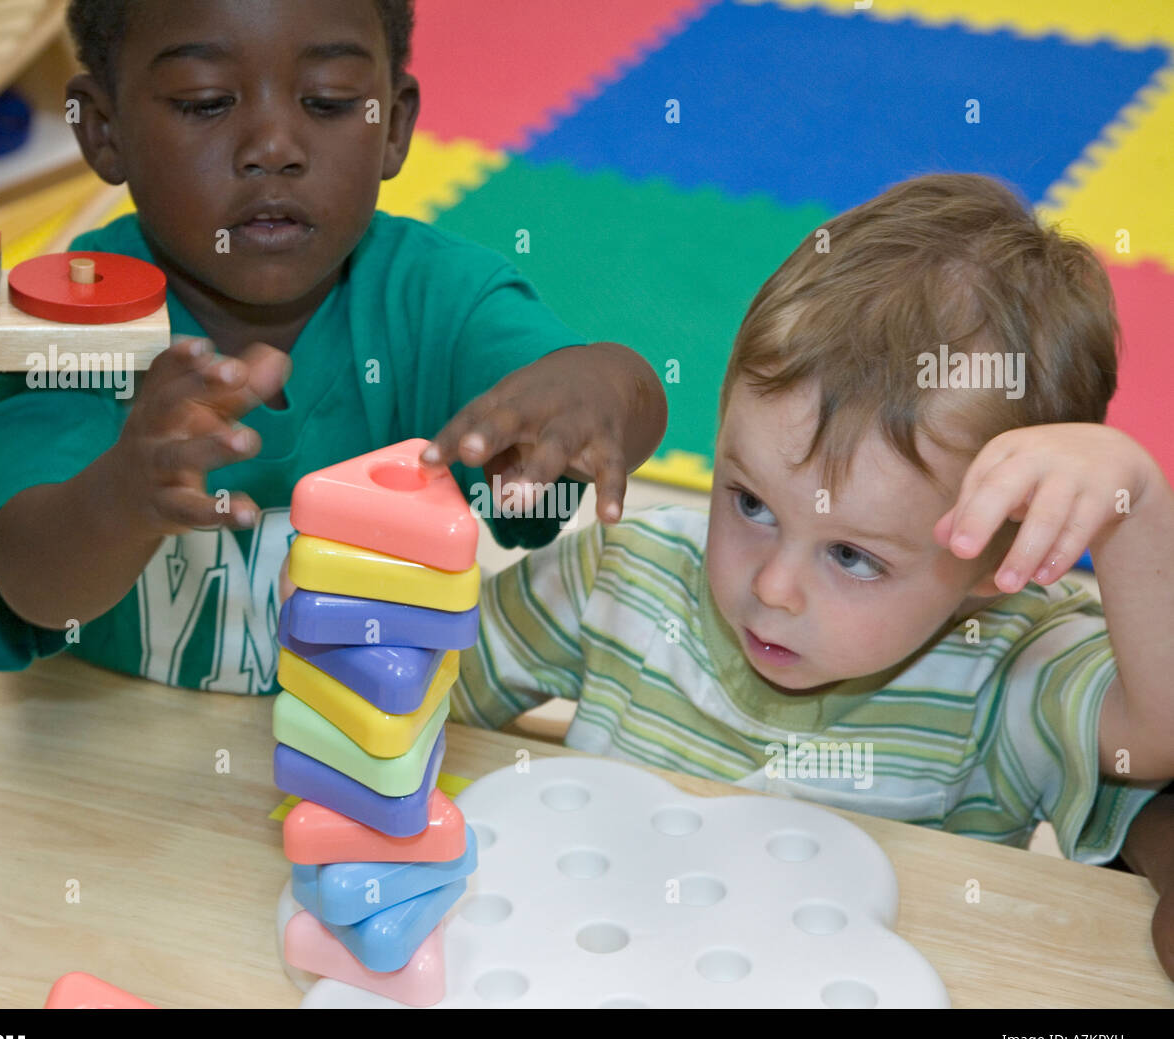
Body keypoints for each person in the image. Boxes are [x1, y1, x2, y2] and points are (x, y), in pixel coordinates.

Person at [450, 173, 1174, 977]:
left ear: (1001, 559)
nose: (773, 589)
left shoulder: (1004, 672)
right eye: (751, 503)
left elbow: (1160, 734)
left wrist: (1132, 506)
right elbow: (423, 689)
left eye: (853, 556)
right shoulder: (623, 576)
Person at [0, 0, 666, 693]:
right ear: (103, 129)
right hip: (118, 765)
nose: (273, 146)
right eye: (205, 102)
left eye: (329, 102)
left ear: (392, 126)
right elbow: (33, 588)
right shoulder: (74, 318)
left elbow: (605, 407)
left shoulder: (442, 300)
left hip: (369, 767)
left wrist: (605, 384)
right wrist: (121, 499)